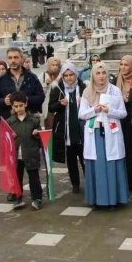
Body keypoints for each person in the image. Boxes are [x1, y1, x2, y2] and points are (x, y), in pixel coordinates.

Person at [0, 47, 44, 203]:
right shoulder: (2, 79)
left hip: (28, 123)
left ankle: (36, 196)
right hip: (11, 124)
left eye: (16, 57)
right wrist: (4, 101)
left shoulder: (31, 77)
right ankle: (14, 191)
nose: (13, 60)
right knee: (12, 162)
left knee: (30, 160)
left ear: (22, 59)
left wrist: (23, 100)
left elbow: (40, 97)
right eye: (10, 58)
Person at [78, 62, 129, 208]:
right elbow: (81, 114)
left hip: (111, 133)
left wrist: (109, 110)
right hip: (94, 134)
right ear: (93, 75)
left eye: (104, 73)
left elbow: (123, 112)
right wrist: (94, 110)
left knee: (112, 164)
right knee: (97, 166)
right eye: (98, 73)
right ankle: (97, 200)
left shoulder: (114, 91)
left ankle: (114, 199)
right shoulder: (87, 91)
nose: (101, 76)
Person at [48, 62, 86, 194]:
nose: (69, 78)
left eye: (71, 75)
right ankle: (75, 184)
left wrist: (84, 102)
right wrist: (59, 104)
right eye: (66, 75)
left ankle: (90, 181)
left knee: (85, 157)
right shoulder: (58, 89)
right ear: (62, 76)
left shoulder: (83, 87)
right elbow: (50, 108)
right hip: (66, 130)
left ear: (76, 74)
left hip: (81, 129)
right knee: (70, 159)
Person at [6, 91, 44, 210]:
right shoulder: (9, 122)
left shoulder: (33, 120)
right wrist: (9, 136)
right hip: (16, 155)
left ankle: (37, 198)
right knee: (17, 177)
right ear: (12, 106)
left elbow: (41, 136)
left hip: (31, 154)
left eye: (21, 105)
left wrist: (37, 133)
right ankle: (17, 198)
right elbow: (4, 138)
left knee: (34, 177)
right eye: (16, 106)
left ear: (26, 104)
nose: (19, 108)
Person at [113, 55, 132, 191]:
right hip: (121, 122)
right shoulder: (116, 81)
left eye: (126, 65)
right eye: (121, 64)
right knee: (124, 150)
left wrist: (130, 100)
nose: (123, 68)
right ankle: (127, 181)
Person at [40, 57, 61, 129]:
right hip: (48, 108)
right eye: (53, 65)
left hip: (59, 106)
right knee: (49, 128)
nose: (55, 67)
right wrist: (46, 84)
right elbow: (40, 91)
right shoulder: (43, 75)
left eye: (56, 65)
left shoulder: (62, 75)